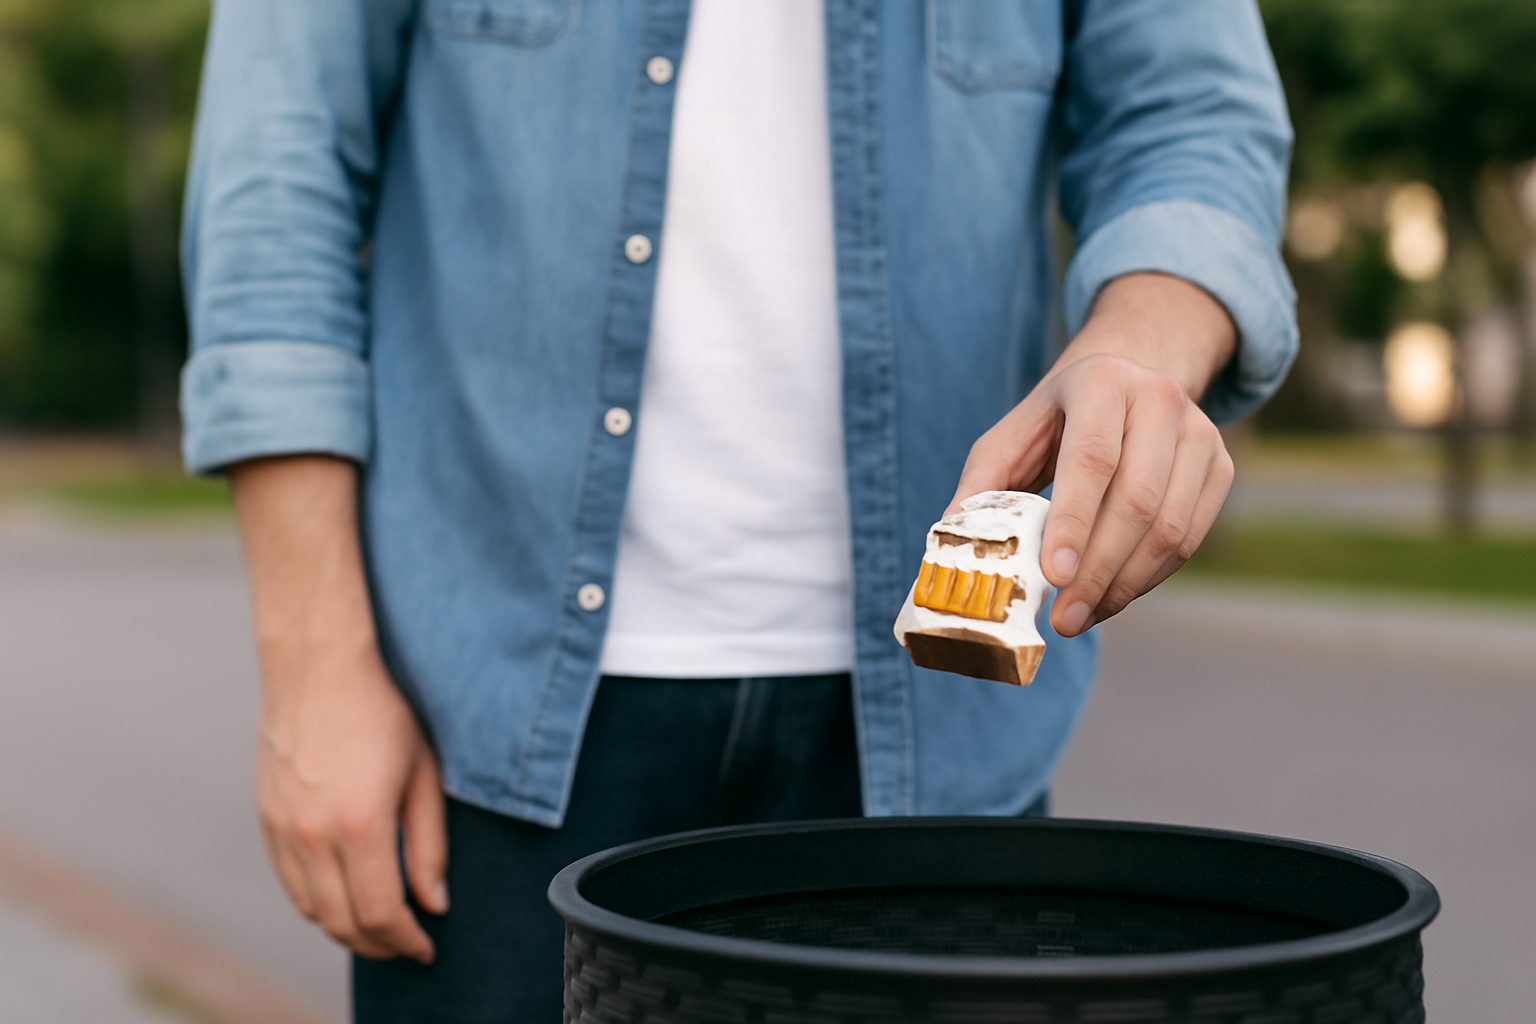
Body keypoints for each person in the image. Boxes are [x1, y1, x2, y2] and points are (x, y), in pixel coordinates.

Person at [180, 1, 1296, 1019]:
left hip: (937, 723)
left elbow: (1193, 114)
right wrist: (315, 664)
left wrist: (1141, 349)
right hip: (491, 726)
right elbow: (276, 177)